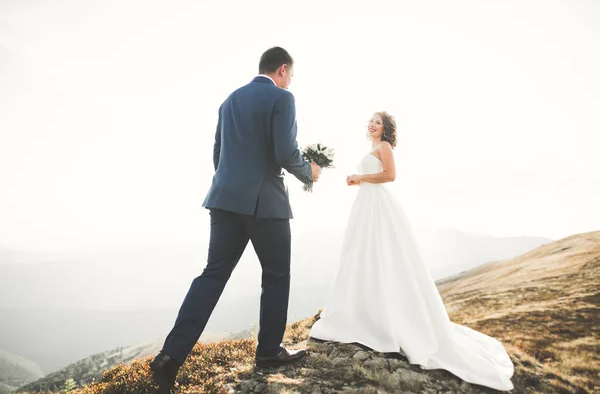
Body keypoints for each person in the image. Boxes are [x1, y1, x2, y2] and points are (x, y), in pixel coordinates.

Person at [150, 47, 321, 394]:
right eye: (291, 77)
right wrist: (310, 173)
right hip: (265, 203)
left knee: (212, 275)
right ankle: (269, 351)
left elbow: (218, 153)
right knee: (275, 275)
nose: (289, 83)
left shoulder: (229, 101)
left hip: (224, 200)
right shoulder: (282, 99)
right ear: (283, 70)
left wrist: (233, 185)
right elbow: (285, 153)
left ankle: (169, 357)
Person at [309, 112, 515, 391]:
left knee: (381, 255)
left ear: (386, 129)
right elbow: (376, 176)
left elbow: (390, 175)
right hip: (366, 203)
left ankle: (384, 317)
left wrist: (361, 176)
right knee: (361, 254)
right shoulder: (372, 148)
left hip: (379, 205)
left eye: (378, 122)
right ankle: (361, 309)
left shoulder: (384, 147)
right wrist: (359, 181)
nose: (372, 124)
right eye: (371, 120)